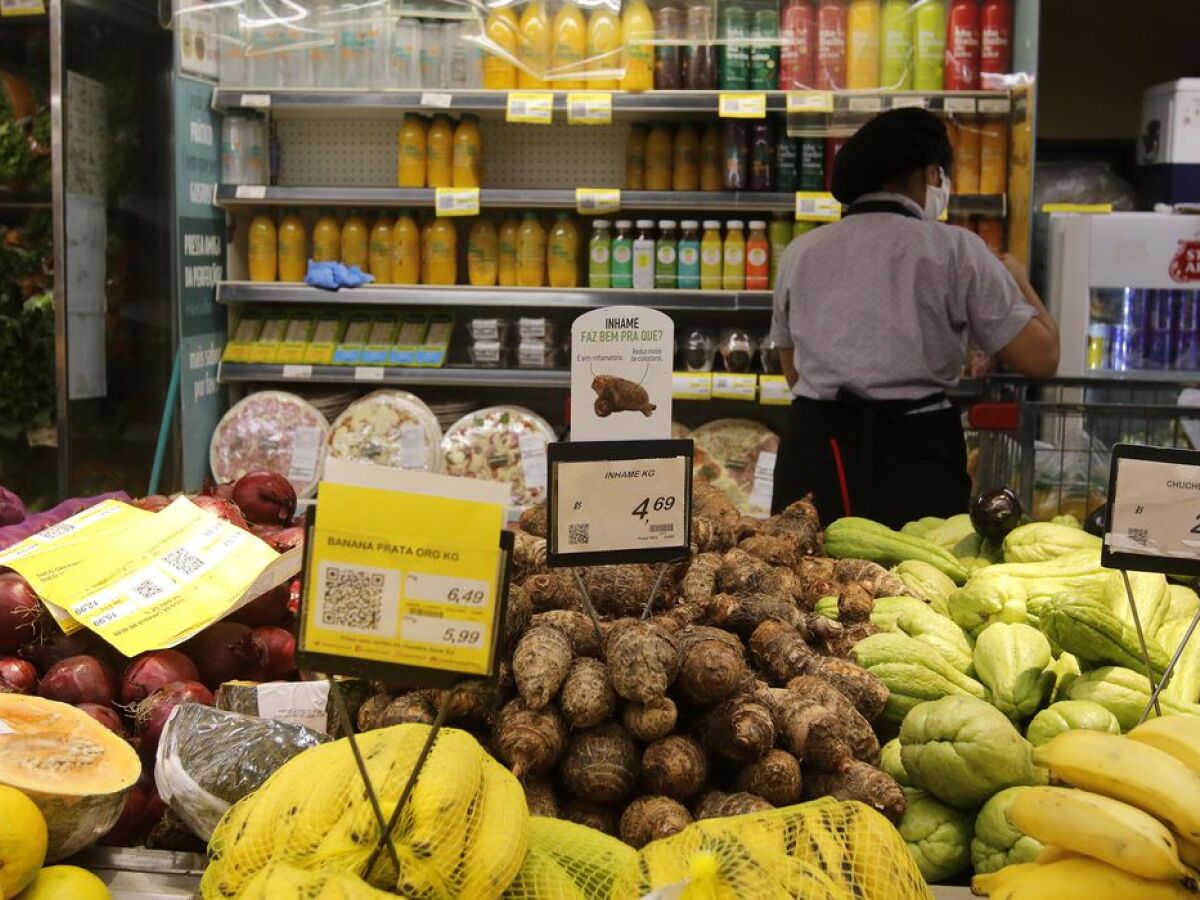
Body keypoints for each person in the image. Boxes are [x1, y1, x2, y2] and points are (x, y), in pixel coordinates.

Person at [769, 107, 1059, 528]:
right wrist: (1018, 279)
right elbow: (1042, 358)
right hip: (918, 449)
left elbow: (792, 369)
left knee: (804, 577)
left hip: (817, 447)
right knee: (919, 583)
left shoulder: (802, 251)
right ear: (929, 174)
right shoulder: (956, 250)